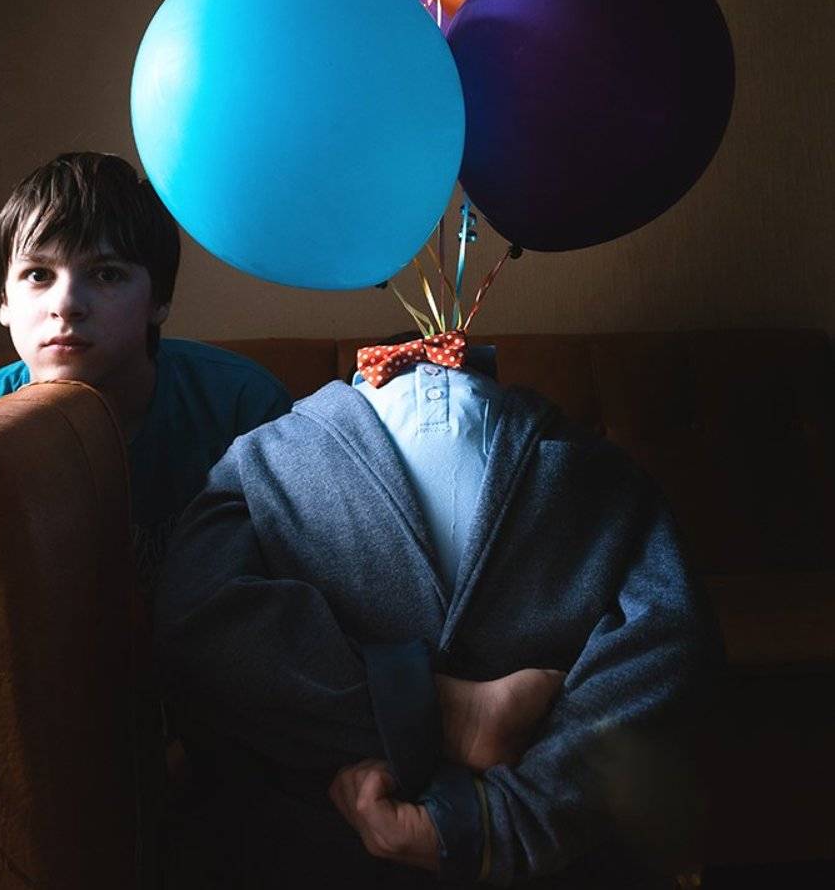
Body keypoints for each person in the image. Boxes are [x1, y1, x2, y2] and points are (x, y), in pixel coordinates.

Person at [154, 330, 719, 888]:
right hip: (534, 847)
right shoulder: (603, 470)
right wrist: (489, 792)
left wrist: (478, 801)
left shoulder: (260, 459)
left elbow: (200, 621)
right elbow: (667, 646)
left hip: (322, 839)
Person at [0, 151, 291, 588]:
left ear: (159, 301)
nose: (66, 305)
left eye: (106, 275)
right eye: (38, 275)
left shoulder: (243, 408)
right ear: (3, 301)